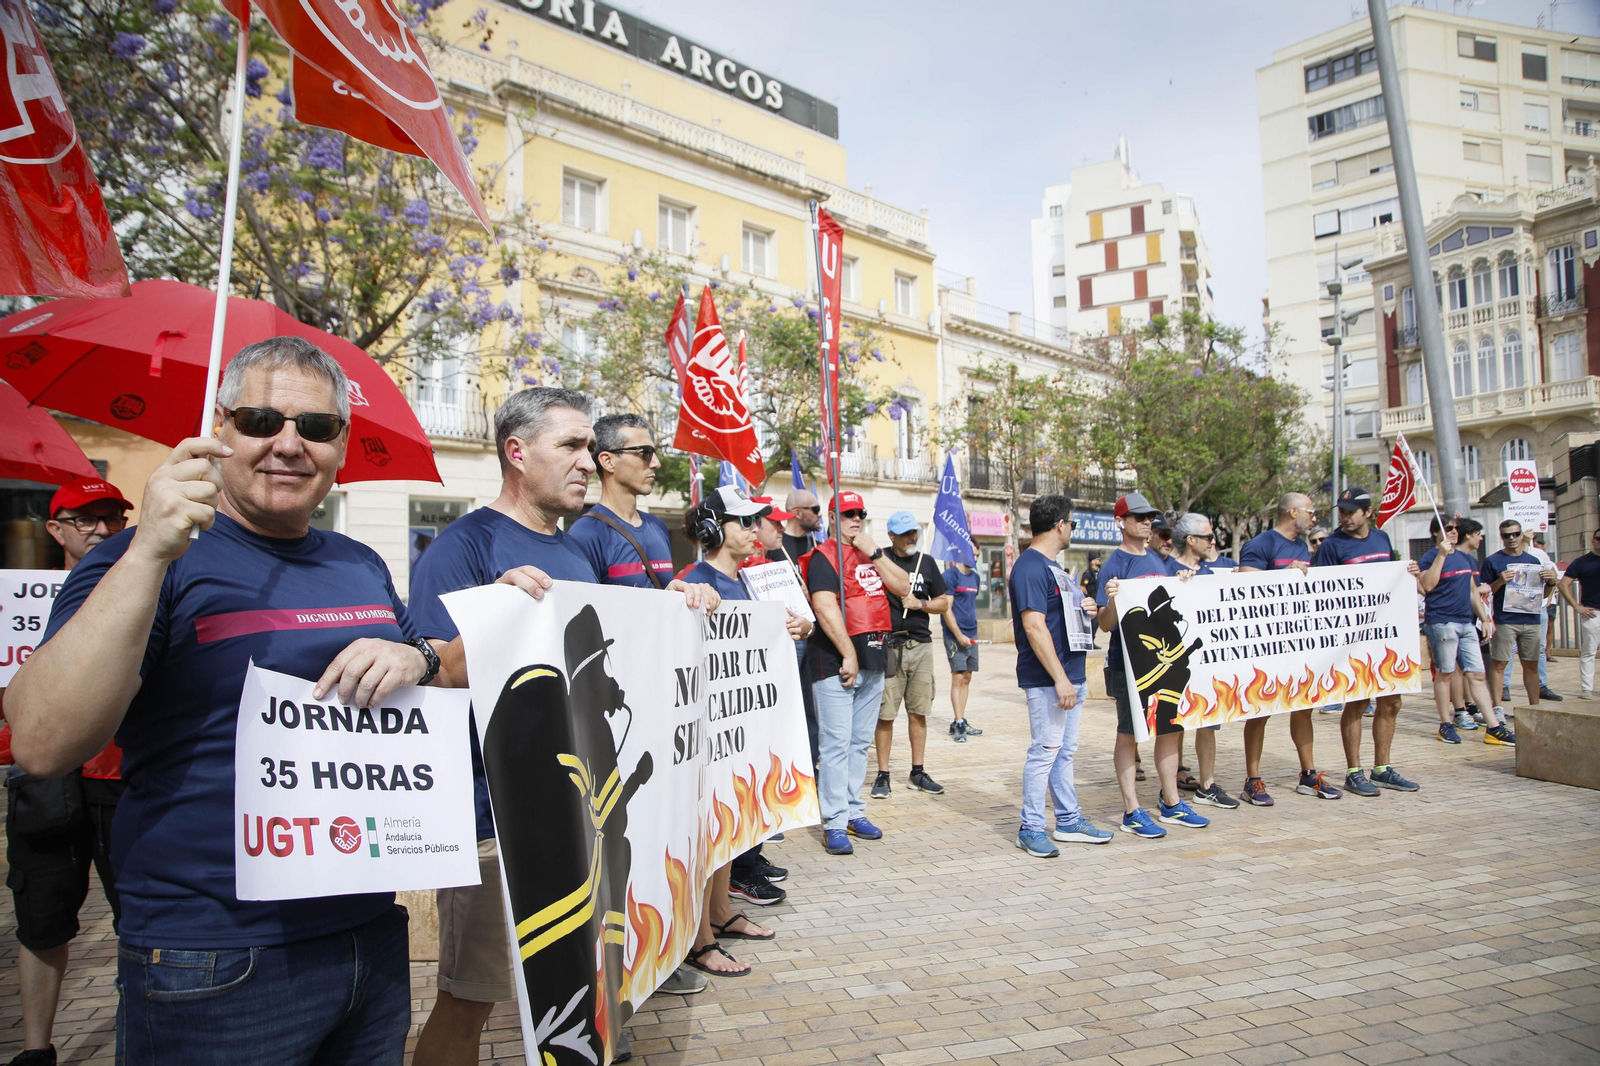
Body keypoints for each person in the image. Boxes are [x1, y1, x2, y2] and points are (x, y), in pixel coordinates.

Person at [7, 338, 435, 1064]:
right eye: (262, 420)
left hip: (368, 940)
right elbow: (43, 742)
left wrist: (416, 656)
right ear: (220, 428)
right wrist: (148, 553)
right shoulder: (141, 557)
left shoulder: (357, 560)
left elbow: (432, 671)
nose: (289, 445)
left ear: (342, 446)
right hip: (213, 955)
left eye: (317, 428)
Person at [408, 391, 720, 1065]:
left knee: (585, 991)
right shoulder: (462, 549)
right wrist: (497, 616)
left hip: (590, 820)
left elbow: (609, 663)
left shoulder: (576, 553)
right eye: (572, 447)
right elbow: (430, 675)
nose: (589, 461)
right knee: (470, 1000)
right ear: (517, 453)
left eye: (590, 447)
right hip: (502, 826)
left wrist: (675, 610)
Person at [1, 476, 133, 1066]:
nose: (103, 529)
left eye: (113, 517)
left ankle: (142, 1030)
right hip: (43, 779)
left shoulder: (141, 580)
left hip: (120, 780)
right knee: (43, 919)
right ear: (55, 529)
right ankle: (35, 1050)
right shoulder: (21, 594)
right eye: (86, 519)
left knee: (139, 921)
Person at [677, 487, 813, 975]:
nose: (756, 531)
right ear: (715, 529)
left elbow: (788, 627)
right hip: (708, 734)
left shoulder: (754, 583)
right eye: (745, 522)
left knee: (732, 825)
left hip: (742, 731)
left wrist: (799, 628)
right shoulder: (691, 581)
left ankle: (720, 912)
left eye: (758, 522)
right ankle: (699, 936)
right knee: (709, 830)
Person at [1096, 492, 1210, 839]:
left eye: (1150, 518)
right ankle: (1131, 809)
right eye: (1139, 517)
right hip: (1128, 666)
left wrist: (1185, 582)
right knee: (1129, 734)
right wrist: (1114, 600)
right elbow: (1104, 623)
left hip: (1163, 664)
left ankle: (1171, 802)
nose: (1147, 523)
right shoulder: (1113, 565)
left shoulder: (1158, 561)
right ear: (1121, 522)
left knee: (1171, 728)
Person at [802, 491, 910, 855]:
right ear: (833, 517)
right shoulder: (823, 557)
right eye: (848, 514)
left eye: (860, 513)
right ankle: (833, 820)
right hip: (835, 662)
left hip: (875, 657)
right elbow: (824, 607)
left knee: (859, 743)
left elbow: (903, 587)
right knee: (834, 745)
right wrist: (848, 652)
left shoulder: (871, 552)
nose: (856, 519)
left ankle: (852, 810)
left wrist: (875, 552)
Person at [1011, 494, 1113, 858]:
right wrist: (1059, 678)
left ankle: (1068, 819)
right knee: (1045, 752)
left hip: (1069, 675)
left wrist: (1084, 607)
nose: (1073, 529)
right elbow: (1034, 626)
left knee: (1063, 753)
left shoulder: (1053, 567)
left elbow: (1057, 618)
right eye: (1072, 523)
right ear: (1060, 525)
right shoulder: (1029, 567)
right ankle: (1032, 826)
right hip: (1049, 680)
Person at [1312, 488, 1423, 796]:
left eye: (1350, 511)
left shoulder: (1382, 539)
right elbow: (1323, 591)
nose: (1344, 517)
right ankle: (1353, 771)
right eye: (1342, 512)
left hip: (1385, 636)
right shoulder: (1332, 545)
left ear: (1367, 513)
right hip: (1352, 640)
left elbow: (1392, 578)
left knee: (1392, 701)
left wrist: (1409, 572)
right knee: (1357, 702)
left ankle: (1383, 769)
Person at [1236, 493, 1342, 804]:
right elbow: (1245, 587)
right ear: (1292, 511)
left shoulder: (1302, 546)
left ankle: (1309, 775)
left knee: (1304, 706)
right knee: (1261, 710)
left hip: (1299, 640)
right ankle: (1252, 780)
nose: (1315, 517)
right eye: (1311, 511)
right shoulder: (1261, 544)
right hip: (1266, 643)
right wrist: (1285, 574)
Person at [871, 511, 949, 798]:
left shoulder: (926, 563)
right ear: (891, 536)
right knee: (886, 713)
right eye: (905, 533)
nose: (912, 537)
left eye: (914, 531)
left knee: (919, 711)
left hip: (921, 646)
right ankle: (883, 774)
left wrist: (921, 605)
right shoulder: (881, 562)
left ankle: (917, 772)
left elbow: (943, 602)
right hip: (889, 646)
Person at [1165, 513, 1239, 811]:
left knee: (1208, 721)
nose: (1213, 541)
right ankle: (1171, 784)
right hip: (1177, 661)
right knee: (1174, 724)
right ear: (1191, 540)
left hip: (1210, 662)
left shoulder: (1215, 570)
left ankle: (1207, 784)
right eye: (1208, 537)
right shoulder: (1166, 569)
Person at [1419, 517, 1514, 746]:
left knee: (1477, 674)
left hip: (1466, 623)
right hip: (1442, 622)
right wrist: (1441, 555)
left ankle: (1493, 727)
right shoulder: (1429, 557)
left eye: (1455, 528)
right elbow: (1427, 586)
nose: (1453, 532)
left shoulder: (1466, 558)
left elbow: (1473, 591)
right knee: (1446, 673)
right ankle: (1445, 723)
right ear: (1436, 533)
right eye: (1448, 528)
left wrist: (1484, 618)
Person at [567, 413, 675, 589]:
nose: (655, 463)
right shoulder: (586, 533)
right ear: (608, 461)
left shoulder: (658, 527)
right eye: (645, 453)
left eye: (653, 453)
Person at [763, 500, 820, 767]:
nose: (781, 527)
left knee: (806, 709)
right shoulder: (754, 562)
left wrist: (808, 623)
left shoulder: (815, 546)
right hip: (773, 655)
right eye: (774, 522)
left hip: (806, 642)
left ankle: (809, 767)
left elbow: (806, 620)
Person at [1482, 519, 1557, 724]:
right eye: (1507, 535)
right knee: (1499, 664)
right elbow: (1484, 592)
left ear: (1521, 534)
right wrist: (1500, 581)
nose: (1512, 538)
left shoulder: (1533, 561)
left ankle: (1534, 707)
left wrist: (1551, 581)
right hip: (1506, 620)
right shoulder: (1492, 561)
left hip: (1531, 619)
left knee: (1531, 664)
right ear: (1502, 537)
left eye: (1515, 534)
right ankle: (1497, 708)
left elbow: (1544, 594)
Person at [941, 558, 983, 741]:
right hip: (954, 636)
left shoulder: (975, 578)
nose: (976, 557)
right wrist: (958, 635)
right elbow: (946, 608)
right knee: (958, 676)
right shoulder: (950, 576)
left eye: (978, 554)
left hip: (972, 633)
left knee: (967, 676)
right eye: (973, 553)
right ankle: (958, 723)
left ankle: (961, 719)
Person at [1558, 531, 1600, 699]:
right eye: (1598, 538)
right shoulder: (1582, 562)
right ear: (1593, 540)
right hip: (1593, 612)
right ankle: (1587, 688)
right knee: (1589, 651)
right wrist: (1576, 607)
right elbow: (1563, 585)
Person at [1528, 532, 1564, 702]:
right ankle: (1503, 687)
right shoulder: (1503, 556)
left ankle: (1541, 685)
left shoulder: (1539, 554)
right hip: (1515, 610)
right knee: (1511, 650)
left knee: (1541, 647)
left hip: (1539, 606)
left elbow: (1554, 577)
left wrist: (1549, 596)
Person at [781, 488, 822, 561]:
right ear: (797, 513)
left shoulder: (819, 548)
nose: (820, 514)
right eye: (815, 509)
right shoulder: (773, 547)